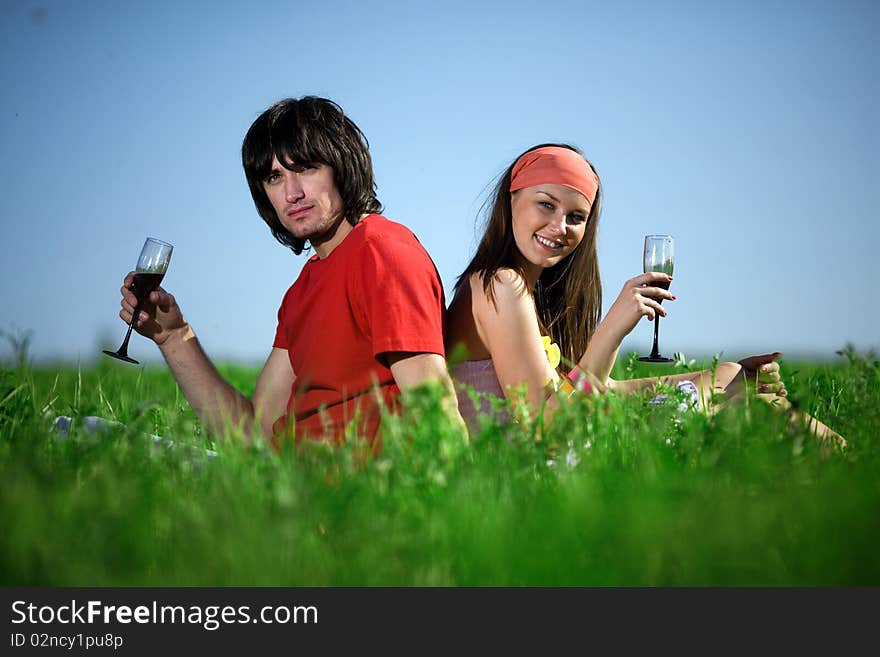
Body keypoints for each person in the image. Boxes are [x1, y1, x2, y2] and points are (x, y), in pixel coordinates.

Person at [116, 96, 463, 448]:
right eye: (274, 177)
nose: (292, 193)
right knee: (85, 433)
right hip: (284, 483)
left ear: (342, 166)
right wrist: (174, 336)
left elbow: (437, 415)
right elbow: (253, 435)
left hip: (346, 496)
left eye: (306, 169)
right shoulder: (304, 287)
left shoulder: (382, 253)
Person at [445, 143, 843, 445]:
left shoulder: (526, 294)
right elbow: (549, 427)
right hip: (524, 472)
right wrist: (612, 329)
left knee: (745, 392)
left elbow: (607, 393)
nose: (560, 226)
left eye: (576, 217)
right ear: (511, 199)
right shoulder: (499, 284)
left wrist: (720, 378)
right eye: (545, 205)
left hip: (557, 454)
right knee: (747, 410)